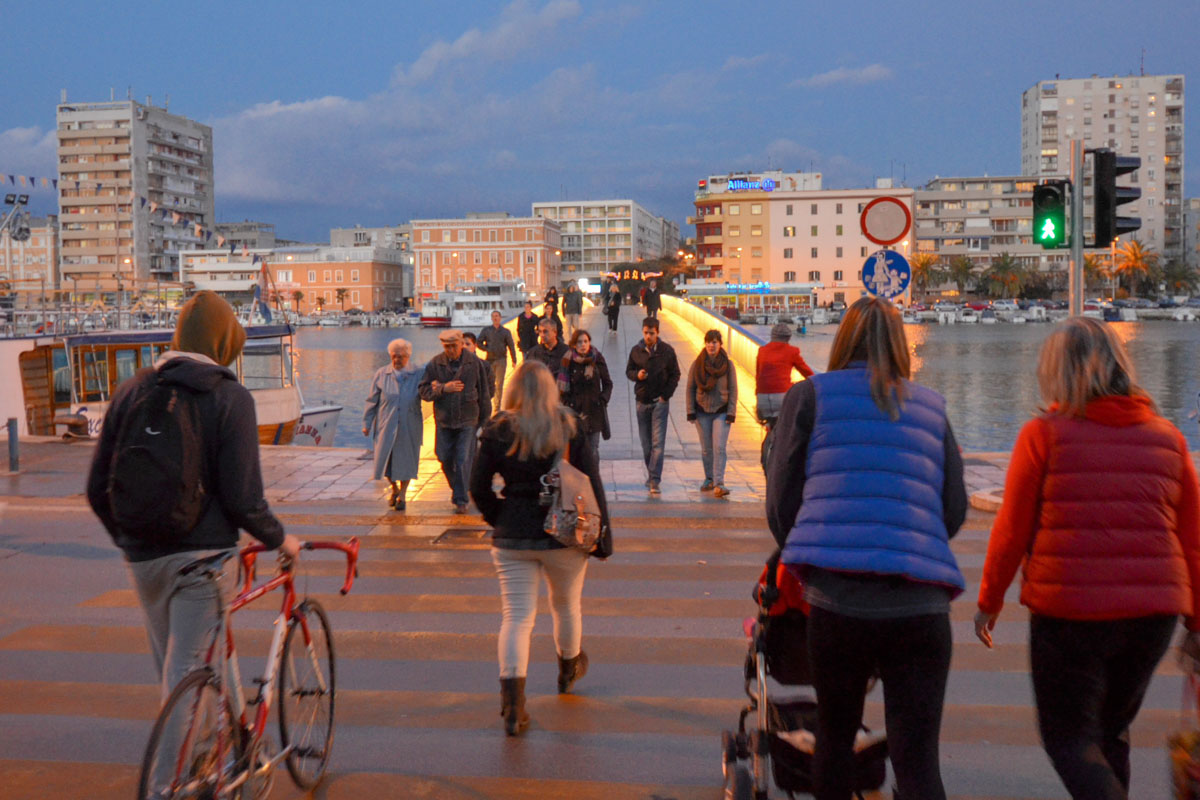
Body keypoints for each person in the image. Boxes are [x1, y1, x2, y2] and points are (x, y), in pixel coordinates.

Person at [974, 316, 1200, 800]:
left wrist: (989, 601)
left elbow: (1013, 528)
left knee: (1069, 739)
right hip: (1153, 617)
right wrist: (1197, 621)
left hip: (1070, 612)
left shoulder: (1044, 434)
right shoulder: (1168, 438)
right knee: (1110, 732)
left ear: (1057, 371)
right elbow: (1193, 539)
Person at [85, 292, 301, 788]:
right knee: (183, 684)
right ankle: (165, 788)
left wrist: (129, 541)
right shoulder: (230, 397)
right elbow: (245, 499)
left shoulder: (133, 389)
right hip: (201, 561)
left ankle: (219, 754)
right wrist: (281, 540)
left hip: (142, 560)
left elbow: (98, 487)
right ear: (226, 342)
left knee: (195, 663)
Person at [766, 295, 967, 800]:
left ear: (841, 339)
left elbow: (781, 501)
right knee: (919, 758)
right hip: (921, 606)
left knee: (834, 737)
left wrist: (810, 552)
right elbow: (954, 509)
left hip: (839, 603)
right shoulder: (931, 407)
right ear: (900, 345)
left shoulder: (810, 397)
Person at [470, 360, 611, 736]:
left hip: (512, 536)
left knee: (516, 618)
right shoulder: (569, 426)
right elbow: (591, 483)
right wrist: (603, 537)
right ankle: (567, 670)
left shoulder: (497, 429)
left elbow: (478, 488)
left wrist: (500, 515)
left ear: (514, 389)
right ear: (551, 389)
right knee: (566, 606)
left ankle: (513, 707)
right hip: (562, 534)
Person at [418, 329, 491, 513]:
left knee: (462, 458)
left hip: (468, 419)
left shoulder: (474, 363)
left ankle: (460, 499)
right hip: (445, 421)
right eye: (446, 346)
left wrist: (484, 422)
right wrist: (443, 388)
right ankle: (460, 489)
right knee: (443, 456)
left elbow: (484, 393)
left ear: (460, 344)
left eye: (453, 346)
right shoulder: (436, 364)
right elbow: (424, 391)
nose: (450, 350)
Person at [362, 338, 423, 512]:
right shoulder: (382, 374)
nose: (397, 360)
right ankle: (394, 488)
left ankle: (403, 494)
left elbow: (427, 392)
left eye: (401, 357)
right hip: (386, 423)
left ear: (408, 356)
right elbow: (372, 400)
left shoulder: (418, 373)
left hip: (409, 423)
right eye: (394, 356)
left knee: (407, 460)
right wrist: (366, 422)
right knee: (385, 460)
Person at [625, 316, 680, 495]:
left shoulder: (667, 351)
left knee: (658, 444)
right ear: (643, 332)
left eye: (652, 333)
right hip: (642, 402)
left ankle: (655, 479)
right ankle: (651, 474)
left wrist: (666, 395)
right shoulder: (636, 350)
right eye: (646, 333)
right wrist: (637, 375)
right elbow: (629, 371)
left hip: (660, 403)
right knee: (646, 444)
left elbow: (675, 374)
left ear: (657, 333)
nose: (648, 336)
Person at [686, 329, 737, 497]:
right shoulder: (697, 363)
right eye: (708, 342)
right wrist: (690, 411)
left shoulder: (728, 365)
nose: (711, 345)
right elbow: (690, 388)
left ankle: (719, 483)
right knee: (707, 449)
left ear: (720, 344)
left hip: (721, 411)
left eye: (714, 342)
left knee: (719, 447)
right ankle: (709, 478)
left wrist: (731, 412)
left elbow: (733, 389)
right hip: (702, 411)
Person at [561, 329, 613, 465]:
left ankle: (593, 480)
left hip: (594, 411)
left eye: (585, 341)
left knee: (593, 449)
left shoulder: (597, 358)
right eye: (579, 342)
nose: (583, 345)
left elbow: (608, 383)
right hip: (576, 413)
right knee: (576, 450)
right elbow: (562, 391)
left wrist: (603, 399)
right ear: (573, 344)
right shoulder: (568, 360)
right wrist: (569, 404)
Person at [755, 322, 814, 424]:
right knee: (789, 425)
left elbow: (758, 374)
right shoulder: (792, 351)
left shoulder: (762, 350)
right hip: (781, 396)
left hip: (762, 397)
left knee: (770, 427)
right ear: (788, 338)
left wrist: (758, 394)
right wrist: (817, 382)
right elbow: (807, 372)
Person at [478, 310, 517, 414]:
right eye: (493, 316)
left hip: (501, 360)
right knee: (488, 383)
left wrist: (514, 360)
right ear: (491, 318)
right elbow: (478, 342)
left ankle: (497, 407)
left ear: (500, 318)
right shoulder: (486, 330)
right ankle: (488, 406)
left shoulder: (505, 332)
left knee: (499, 384)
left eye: (497, 316)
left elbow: (511, 346)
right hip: (489, 360)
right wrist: (486, 349)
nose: (495, 318)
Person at [524, 316, 569, 384]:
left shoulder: (567, 352)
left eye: (545, 332)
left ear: (555, 332)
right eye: (540, 332)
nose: (542, 335)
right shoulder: (533, 353)